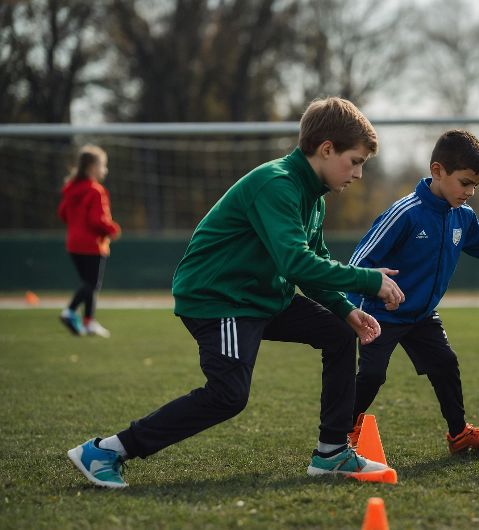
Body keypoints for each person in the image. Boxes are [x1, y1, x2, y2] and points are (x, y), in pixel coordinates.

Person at [67, 97, 405, 489]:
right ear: (326, 149)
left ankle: (331, 453)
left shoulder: (312, 195)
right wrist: (368, 280)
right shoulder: (277, 184)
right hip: (220, 299)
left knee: (339, 334)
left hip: (259, 296)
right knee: (228, 395)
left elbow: (312, 263)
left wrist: (345, 310)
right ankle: (106, 451)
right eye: (356, 160)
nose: (360, 173)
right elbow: (296, 263)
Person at [347, 129, 479, 455]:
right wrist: (353, 309)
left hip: (422, 314)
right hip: (380, 311)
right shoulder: (406, 213)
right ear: (438, 171)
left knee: (445, 364)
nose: (470, 191)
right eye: (465, 182)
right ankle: (344, 431)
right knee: (372, 375)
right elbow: (359, 261)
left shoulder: (463, 217)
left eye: (476, 185)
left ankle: (459, 434)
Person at [57, 144, 121, 338]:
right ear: (92, 167)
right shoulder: (95, 191)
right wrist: (112, 229)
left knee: (89, 283)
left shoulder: (71, 189)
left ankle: (88, 322)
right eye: (103, 165)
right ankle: (69, 311)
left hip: (73, 244)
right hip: (92, 244)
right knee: (92, 284)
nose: (105, 170)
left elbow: (62, 213)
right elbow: (97, 219)